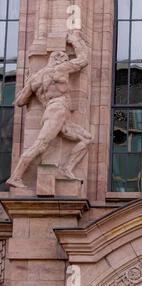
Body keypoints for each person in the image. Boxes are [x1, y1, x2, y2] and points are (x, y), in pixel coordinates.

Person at [7, 31, 93, 189]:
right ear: (59, 60)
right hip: (58, 110)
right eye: (65, 59)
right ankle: (16, 177)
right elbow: (83, 60)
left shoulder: (36, 78)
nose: (67, 61)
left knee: (86, 138)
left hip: (56, 113)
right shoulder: (60, 70)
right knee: (40, 145)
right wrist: (75, 41)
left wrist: (28, 82)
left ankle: (66, 168)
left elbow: (19, 101)